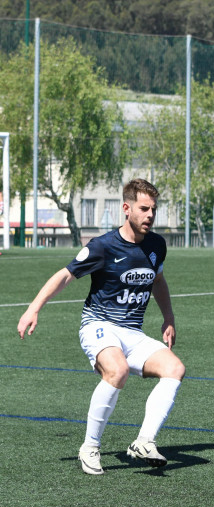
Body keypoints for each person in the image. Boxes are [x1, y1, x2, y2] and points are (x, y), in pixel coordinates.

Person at [17, 179, 186, 475]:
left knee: (175, 369)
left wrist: (168, 318)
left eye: (153, 210)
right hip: (99, 324)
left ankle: (144, 441)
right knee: (117, 371)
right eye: (144, 208)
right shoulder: (103, 246)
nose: (150, 215)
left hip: (132, 332)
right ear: (126, 208)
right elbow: (66, 275)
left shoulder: (157, 245)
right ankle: (90, 447)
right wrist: (34, 308)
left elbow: (157, 280)